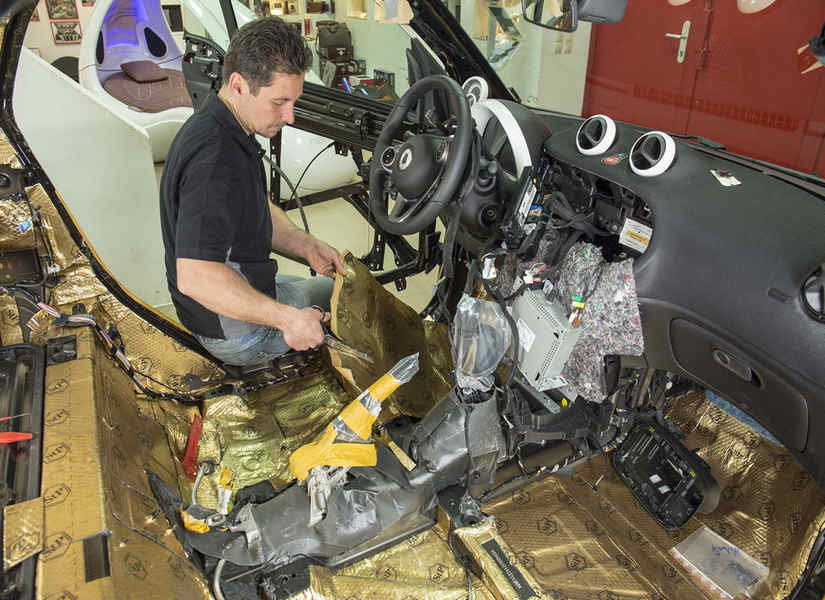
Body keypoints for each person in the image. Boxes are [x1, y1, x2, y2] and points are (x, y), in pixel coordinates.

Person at [160, 17, 346, 366]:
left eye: (293, 101)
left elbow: (253, 210)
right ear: (239, 85)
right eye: (279, 102)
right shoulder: (215, 161)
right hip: (233, 332)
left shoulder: (225, 126)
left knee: (324, 290)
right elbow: (195, 276)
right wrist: (288, 320)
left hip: (240, 289)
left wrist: (307, 246)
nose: (289, 116)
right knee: (336, 303)